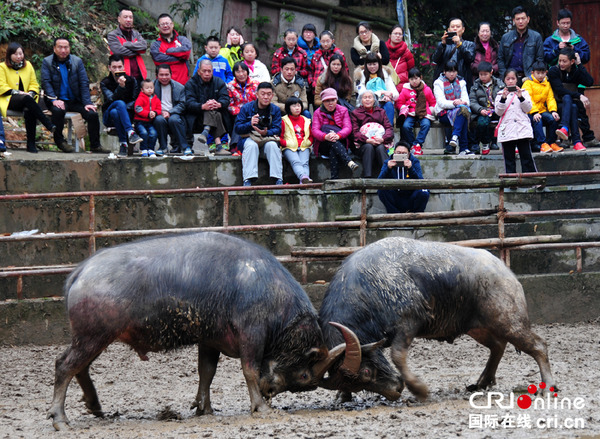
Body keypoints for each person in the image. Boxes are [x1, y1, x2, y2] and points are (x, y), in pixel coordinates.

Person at [41, 37, 107, 153]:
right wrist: (53, 100)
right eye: (60, 47)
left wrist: (87, 102)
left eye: (66, 47)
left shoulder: (76, 61)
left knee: (92, 114)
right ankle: (60, 141)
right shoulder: (47, 62)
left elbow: (83, 82)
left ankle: (95, 145)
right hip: (57, 99)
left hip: (75, 100)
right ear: (54, 49)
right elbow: (46, 82)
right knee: (57, 111)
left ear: (69, 48)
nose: (63, 50)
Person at [0, 42, 55, 154]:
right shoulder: (2, 67)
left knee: (29, 109)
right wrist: (19, 92)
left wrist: (30, 92)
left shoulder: (28, 65)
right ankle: (47, 123)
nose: (19, 56)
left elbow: (34, 84)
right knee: (26, 100)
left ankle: (31, 144)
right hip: (9, 98)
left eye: (21, 53)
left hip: (27, 99)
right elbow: (1, 86)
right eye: (15, 54)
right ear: (9, 55)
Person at [235, 82, 283, 186]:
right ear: (257, 94)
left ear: (272, 95)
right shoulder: (246, 108)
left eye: (269, 94)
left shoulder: (275, 110)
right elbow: (237, 129)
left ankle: (278, 179)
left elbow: (278, 129)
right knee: (251, 145)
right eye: (263, 94)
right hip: (249, 140)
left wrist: (266, 132)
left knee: (273, 146)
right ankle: (248, 179)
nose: (266, 97)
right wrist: (250, 124)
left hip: (266, 140)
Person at [548, 48, 594, 151]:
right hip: (557, 105)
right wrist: (579, 95)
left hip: (572, 105)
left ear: (572, 61)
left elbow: (589, 82)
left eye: (564, 61)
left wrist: (580, 65)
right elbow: (560, 91)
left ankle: (566, 131)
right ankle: (576, 141)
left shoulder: (576, 71)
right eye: (559, 60)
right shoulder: (554, 71)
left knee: (573, 106)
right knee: (567, 97)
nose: (561, 63)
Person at [185, 59, 231, 156]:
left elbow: (226, 99)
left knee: (213, 111)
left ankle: (206, 131)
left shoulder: (219, 82)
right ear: (198, 71)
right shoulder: (191, 83)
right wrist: (202, 106)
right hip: (197, 117)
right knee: (212, 112)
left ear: (212, 71)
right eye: (204, 71)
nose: (207, 73)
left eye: (209, 71)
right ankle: (218, 146)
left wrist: (219, 104)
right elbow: (189, 102)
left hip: (216, 114)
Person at [495, 68, 536, 174]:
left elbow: (528, 109)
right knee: (509, 158)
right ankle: (511, 182)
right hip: (507, 129)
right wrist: (503, 99)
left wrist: (521, 97)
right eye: (508, 79)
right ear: (504, 80)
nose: (510, 81)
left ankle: (530, 180)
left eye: (513, 78)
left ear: (517, 79)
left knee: (526, 156)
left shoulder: (524, 93)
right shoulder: (499, 94)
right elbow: (498, 112)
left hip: (522, 128)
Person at [100, 54, 143, 157]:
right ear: (109, 68)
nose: (117, 70)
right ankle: (131, 133)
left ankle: (123, 145)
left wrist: (122, 109)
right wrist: (120, 87)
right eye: (114, 67)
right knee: (119, 104)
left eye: (119, 67)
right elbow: (111, 99)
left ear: (124, 67)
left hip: (126, 115)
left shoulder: (132, 81)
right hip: (108, 116)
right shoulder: (105, 83)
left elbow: (135, 100)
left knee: (117, 111)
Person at [312, 88, 358, 178]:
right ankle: (348, 161)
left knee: (334, 147)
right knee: (332, 142)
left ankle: (334, 178)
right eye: (327, 101)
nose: (330, 103)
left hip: (340, 140)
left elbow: (347, 127)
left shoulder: (343, 110)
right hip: (324, 143)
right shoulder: (317, 112)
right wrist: (325, 136)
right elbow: (315, 130)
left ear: (336, 100)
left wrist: (338, 135)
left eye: (332, 100)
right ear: (323, 102)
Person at [350, 90, 394, 178]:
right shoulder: (355, 113)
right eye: (365, 98)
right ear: (361, 101)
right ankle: (367, 176)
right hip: (362, 145)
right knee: (368, 147)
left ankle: (388, 175)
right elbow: (355, 132)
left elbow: (389, 129)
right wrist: (367, 140)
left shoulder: (381, 112)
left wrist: (383, 139)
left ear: (374, 100)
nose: (367, 100)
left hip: (380, 142)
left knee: (380, 147)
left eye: (370, 97)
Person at [521, 61, 562, 153]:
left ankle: (551, 143)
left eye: (542, 73)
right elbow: (528, 99)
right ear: (533, 73)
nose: (540, 75)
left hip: (542, 110)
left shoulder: (547, 83)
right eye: (538, 73)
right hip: (529, 112)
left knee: (553, 119)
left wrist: (553, 111)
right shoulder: (528, 83)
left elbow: (550, 98)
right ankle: (542, 143)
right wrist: (534, 112)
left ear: (546, 72)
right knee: (537, 120)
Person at [377, 141, 429, 214]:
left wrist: (410, 168)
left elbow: (420, 180)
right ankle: (394, 215)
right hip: (395, 195)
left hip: (410, 194)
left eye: (404, 153)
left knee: (424, 191)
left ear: (408, 154)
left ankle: (416, 216)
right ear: (394, 152)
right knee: (381, 190)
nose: (401, 155)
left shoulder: (414, 161)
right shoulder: (388, 161)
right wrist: (388, 168)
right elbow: (379, 181)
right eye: (398, 153)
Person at [396, 68, 436, 156]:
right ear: (408, 80)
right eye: (411, 79)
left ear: (420, 78)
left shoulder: (426, 89)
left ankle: (417, 144)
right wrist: (404, 108)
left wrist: (430, 110)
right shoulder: (405, 90)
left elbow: (433, 102)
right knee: (406, 126)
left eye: (416, 78)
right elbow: (400, 102)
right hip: (411, 113)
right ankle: (413, 145)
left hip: (423, 112)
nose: (414, 81)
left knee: (426, 124)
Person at [433, 60, 471, 155]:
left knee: (463, 112)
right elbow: (441, 103)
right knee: (463, 113)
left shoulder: (461, 82)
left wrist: (462, 103)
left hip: (459, 111)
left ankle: (455, 137)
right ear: (444, 72)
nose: (452, 74)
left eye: (454, 71)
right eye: (449, 71)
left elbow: (467, 101)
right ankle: (463, 148)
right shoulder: (438, 83)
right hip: (444, 113)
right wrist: (455, 103)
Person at [497, 6, 544, 80]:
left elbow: (540, 59)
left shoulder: (536, 37)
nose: (520, 21)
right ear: (513, 20)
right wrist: (505, 76)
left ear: (528, 19)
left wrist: (533, 76)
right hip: (510, 78)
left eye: (523, 18)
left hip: (530, 77)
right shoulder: (505, 37)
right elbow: (500, 59)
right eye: (518, 19)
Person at [469, 61, 504, 155]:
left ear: (491, 72)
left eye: (485, 74)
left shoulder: (499, 84)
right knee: (481, 123)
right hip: (484, 111)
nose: (483, 77)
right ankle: (485, 142)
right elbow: (472, 101)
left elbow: (504, 98)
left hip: (498, 110)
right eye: (481, 74)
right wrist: (480, 110)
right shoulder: (475, 86)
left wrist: (500, 107)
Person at [153, 64, 188, 155]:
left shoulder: (179, 87)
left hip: (174, 113)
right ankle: (163, 147)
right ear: (156, 75)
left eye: (166, 74)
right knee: (159, 120)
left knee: (174, 119)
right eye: (161, 75)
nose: (164, 77)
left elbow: (182, 104)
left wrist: (170, 112)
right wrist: (159, 112)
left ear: (171, 74)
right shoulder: (151, 86)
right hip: (158, 113)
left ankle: (184, 147)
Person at [432, 17, 476, 90]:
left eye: (458, 27)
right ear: (448, 30)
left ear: (463, 29)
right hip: (443, 81)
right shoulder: (442, 45)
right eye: (452, 27)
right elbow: (435, 59)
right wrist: (442, 44)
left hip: (462, 80)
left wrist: (459, 44)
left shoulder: (469, 44)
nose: (455, 29)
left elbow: (470, 59)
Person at [355, 53, 398, 125]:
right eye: (369, 64)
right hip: (368, 105)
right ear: (366, 65)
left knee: (389, 105)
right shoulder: (361, 75)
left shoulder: (385, 74)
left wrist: (388, 96)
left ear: (379, 63)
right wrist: (381, 93)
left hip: (384, 102)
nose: (372, 67)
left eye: (374, 64)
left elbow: (395, 94)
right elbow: (363, 94)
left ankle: (389, 130)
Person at [150, 13, 192, 85]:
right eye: (162, 24)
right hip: (163, 85)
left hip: (183, 85)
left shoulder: (182, 40)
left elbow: (187, 51)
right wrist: (180, 58)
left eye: (167, 23)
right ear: (158, 27)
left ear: (172, 24)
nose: (165, 26)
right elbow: (158, 59)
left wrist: (168, 51)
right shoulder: (155, 45)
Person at [107, 8, 147, 83]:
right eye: (125, 17)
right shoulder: (113, 35)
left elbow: (144, 46)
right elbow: (119, 52)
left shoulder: (136, 34)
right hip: (122, 77)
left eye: (130, 17)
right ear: (119, 19)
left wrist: (127, 44)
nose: (128, 20)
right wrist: (137, 51)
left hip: (139, 76)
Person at [227, 61, 259, 154]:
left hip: (253, 111)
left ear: (247, 72)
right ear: (234, 73)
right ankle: (234, 145)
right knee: (239, 118)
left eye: (243, 71)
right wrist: (241, 112)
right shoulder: (230, 86)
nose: (241, 74)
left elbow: (259, 101)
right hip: (237, 113)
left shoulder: (255, 84)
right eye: (238, 72)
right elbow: (229, 104)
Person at [280, 97, 313, 183]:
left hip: (303, 145)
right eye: (294, 106)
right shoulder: (284, 120)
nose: (297, 108)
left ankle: (304, 181)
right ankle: (303, 177)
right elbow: (280, 136)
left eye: (299, 106)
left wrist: (308, 142)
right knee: (296, 161)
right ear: (288, 108)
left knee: (304, 163)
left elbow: (310, 135)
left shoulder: (306, 120)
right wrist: (286, 143)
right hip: (289, 147)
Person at [133, 79, 161, 157]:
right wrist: (147, 114)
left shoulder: (155, 98)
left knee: (153, 133)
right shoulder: (140, 98)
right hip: (140, 121)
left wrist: (155, 113)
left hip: (150, 122)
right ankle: (143, 149)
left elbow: (159, 109)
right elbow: (138, 109)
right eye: (147, 88)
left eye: (151, 88)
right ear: (142, 89)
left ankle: (151, 149)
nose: (149, 89)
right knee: (144, 133)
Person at [386, 25, 415, 89]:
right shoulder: (383, 50)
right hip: (386, 85)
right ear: (390, 35)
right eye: (395, 33)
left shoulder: (407, 52)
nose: (398, 36)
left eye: (400, 34)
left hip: (403, 87)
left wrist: (398, 78)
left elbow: (411, 72)